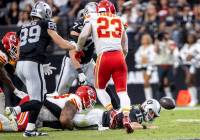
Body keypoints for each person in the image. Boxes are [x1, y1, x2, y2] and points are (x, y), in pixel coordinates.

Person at [5, 1, 76, 137]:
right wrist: (73, 46)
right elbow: (60, 42)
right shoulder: (46, 23)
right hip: (33, 64)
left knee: (38, 98)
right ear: (45, 14)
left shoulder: (23, 28)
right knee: (38, 100)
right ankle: (15, 110)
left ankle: (30, 129)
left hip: (21, 65)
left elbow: (18, 53)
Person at [75, 0, 133, 133]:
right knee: (123, 92)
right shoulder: (119, 19)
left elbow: (83, 35)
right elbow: (125, 47)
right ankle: (125, 117)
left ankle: (111, 112)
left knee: (99, 88)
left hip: (104, 57)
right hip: (119, 56)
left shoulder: (93, 17)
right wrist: (120, 60)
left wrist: (78, 48)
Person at [56, 2, 119, 109]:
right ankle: (57, 115)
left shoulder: (101, 25)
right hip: (72, 63)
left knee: (102, 86)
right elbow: (72, 51)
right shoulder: (78, 27)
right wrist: (80, 72)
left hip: (88, 62)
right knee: (61, 91)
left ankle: (116, 110)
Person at [0, 85, 97, 132]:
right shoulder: (76, 100)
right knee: (19, 127)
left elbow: (60, 123)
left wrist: (42, 124)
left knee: (15, 125)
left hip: (38, 110)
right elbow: (64, 120)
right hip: (33, 104)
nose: (91, 103)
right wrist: (73, 127)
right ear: (86, 97)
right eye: (91, 100)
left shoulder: (73, 99)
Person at [179, 31, 200, 106]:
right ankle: (194, 100)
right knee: (191, 82)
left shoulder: (197, 45)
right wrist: (185, 57)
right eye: (188, 37)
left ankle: (194, 100)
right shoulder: (185, 45)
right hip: (187, 64)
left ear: (194, 38)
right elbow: (181, 53)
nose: (190, 39)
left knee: (188, 81)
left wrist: (194, 57)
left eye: (191, 37)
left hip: (194, 64)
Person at [134, 34, 157, 100]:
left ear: (148, 39)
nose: (143, 40)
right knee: (145, 83)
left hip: (150, 66)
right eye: (143, 39)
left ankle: (149, 99)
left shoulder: (152, 47)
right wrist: (141, 59)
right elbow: (136, 56)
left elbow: (154, 56)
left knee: (146, 82)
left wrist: (147, 59)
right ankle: (148, 99)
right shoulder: (141, 48)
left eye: (145, 39)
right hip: (143, 66)